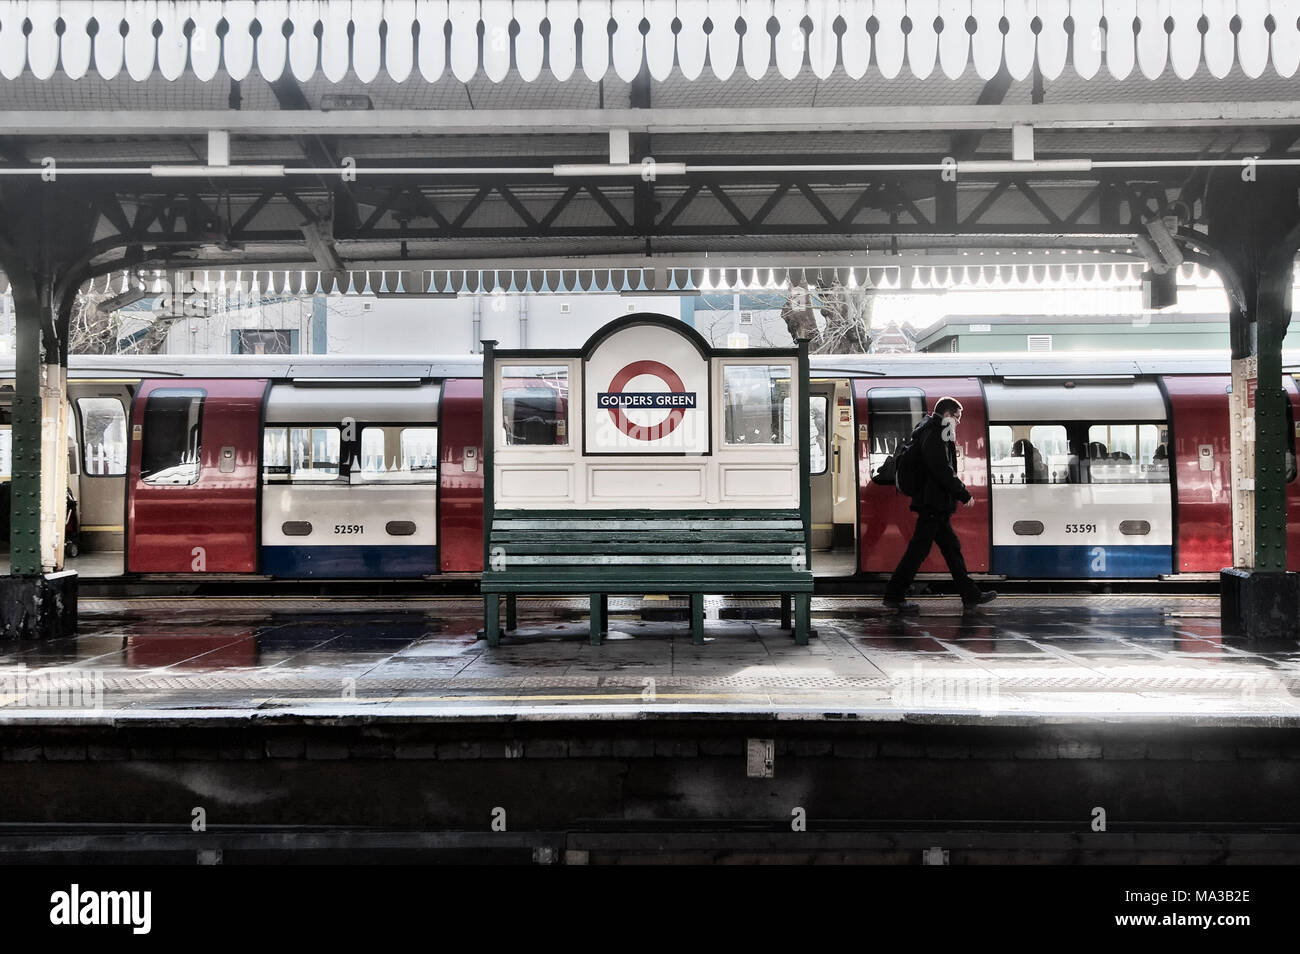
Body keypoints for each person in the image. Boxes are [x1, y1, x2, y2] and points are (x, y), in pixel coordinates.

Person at [883, 397, 997, 612]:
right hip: (933, 503)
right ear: (947, 415)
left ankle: (970, 595)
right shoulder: (936, 433)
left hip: (935, 504)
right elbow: (941, 468)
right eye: (957, 417)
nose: (959, 421)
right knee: (918, 551)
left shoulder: (933, 430)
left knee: (951, 550)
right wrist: (963, 493)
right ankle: (894, 595)